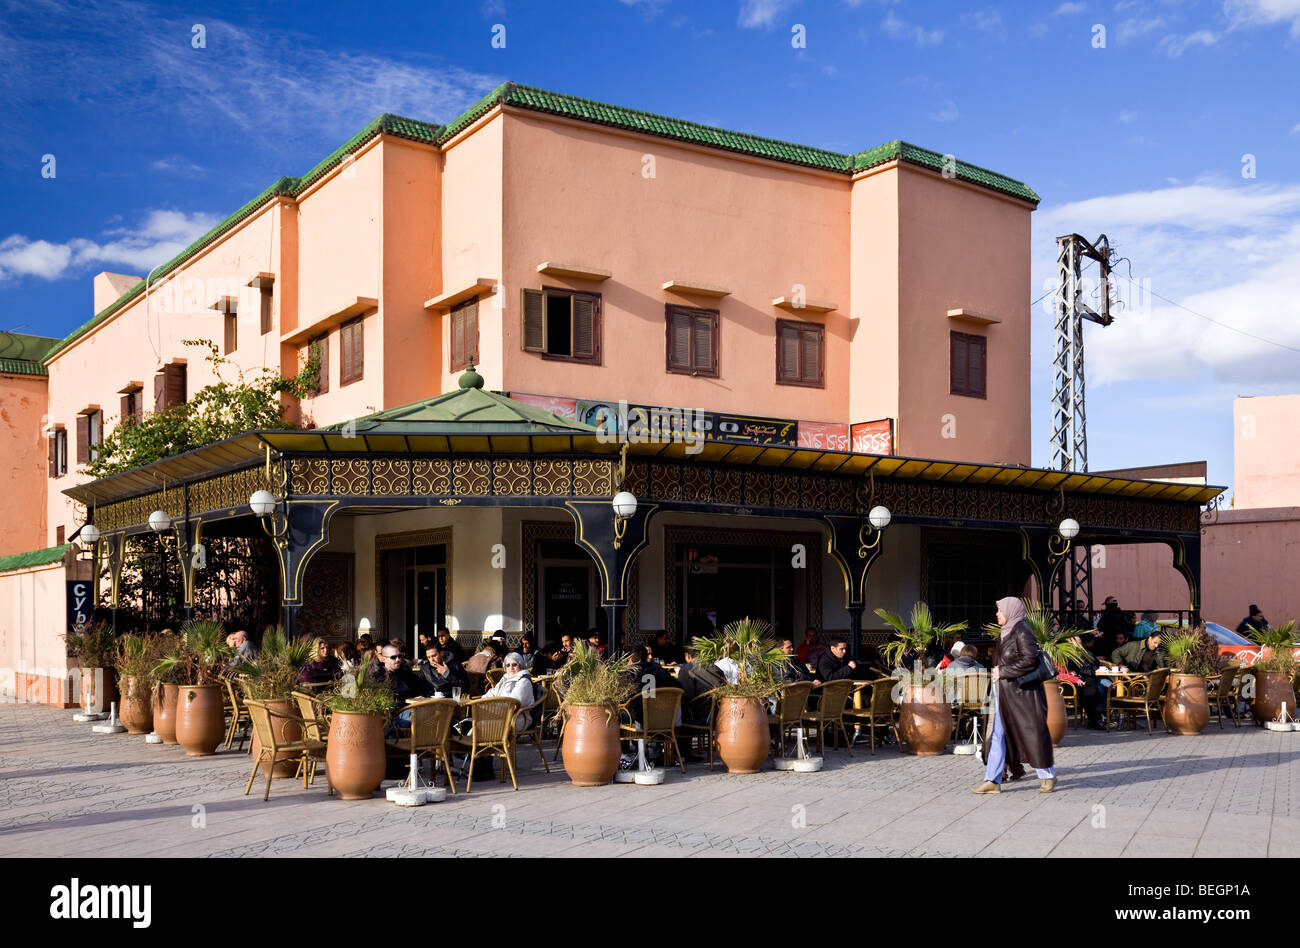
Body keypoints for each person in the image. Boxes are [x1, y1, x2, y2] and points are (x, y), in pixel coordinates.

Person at [972, 597, 1056, 794]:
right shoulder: (1005, 633)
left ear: (1010, 611)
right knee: (997, 735)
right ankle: (992, 779)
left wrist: (1003, 672)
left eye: (999, 610)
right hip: (1003, 693)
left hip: (1022, 695)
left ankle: (1048, 776)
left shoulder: (1022, 631)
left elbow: (1030, 659)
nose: (997, 614)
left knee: (1032, 733)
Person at [381, 644, 432, 731]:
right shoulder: (379, 677)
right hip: (394, 714)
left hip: (412, 708)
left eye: (399, 656)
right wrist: (407, 700)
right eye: (393, 657)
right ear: (384, 659)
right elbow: (386, 701)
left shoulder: (405, 672)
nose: (398, 660)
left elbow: (422, 687)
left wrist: (425, 697)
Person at [483, 653, 535, 731]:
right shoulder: (505, 678)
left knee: (480, 726)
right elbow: (493, 692)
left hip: (517, 718)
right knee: (472, 722)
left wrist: (492, 707)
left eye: (514, 665)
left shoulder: (524, 681)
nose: (511, 668)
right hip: (499, 714)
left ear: (520, 665)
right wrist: (482, 701)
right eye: (508, 665)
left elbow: (514, 703)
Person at [676, 648, 727, 726]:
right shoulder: (716, 668)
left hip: (699, 718)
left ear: (687, 655)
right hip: (720, 715)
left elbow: (686, 696)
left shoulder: (687, 669)